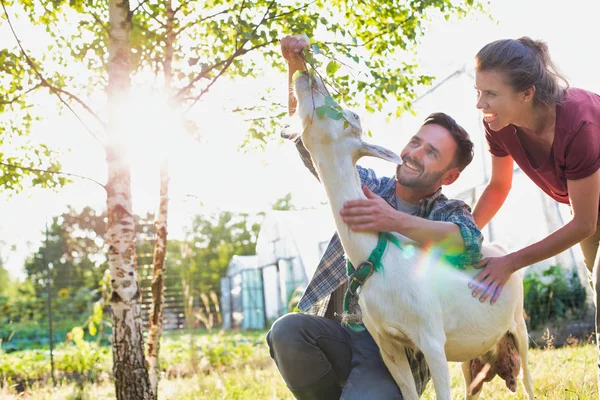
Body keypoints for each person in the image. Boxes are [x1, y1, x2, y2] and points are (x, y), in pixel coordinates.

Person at [266, 34, 483, 400]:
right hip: (339, 330)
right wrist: (297, 69)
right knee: (287, 332)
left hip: (395, 350)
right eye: (415, 141)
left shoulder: (443, 211)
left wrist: (393, 221)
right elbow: (312, 138)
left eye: (431, 153)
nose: (415, 154)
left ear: (449, 176)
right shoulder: (365, 184)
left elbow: (471, 242)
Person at [469, 35, 600, 385]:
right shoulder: (497, 124)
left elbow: (584, 223)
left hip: (588, 215)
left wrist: (509, 262)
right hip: (590, 210)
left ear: (527, 93)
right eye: (478, 91)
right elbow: (499, 186)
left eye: (491, 94)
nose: (481, 103)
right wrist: (462, 237)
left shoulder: (579, 124)